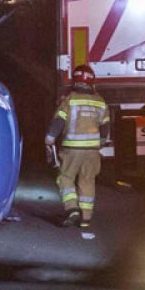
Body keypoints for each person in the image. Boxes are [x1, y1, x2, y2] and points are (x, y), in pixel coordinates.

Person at [46, 65, 110, 229]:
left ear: (75, 81)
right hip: (93, 151)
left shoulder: (70, 99)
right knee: (87, 181)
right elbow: (105, 126)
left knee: (65, 178)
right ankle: (86, 218)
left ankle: (72, 208)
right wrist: (101, 141)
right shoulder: (100, 102)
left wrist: (50, 138)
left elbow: (59, 121)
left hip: (72, 149)